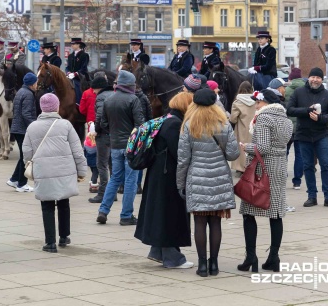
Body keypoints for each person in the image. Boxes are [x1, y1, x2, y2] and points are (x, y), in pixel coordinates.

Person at [177, 88, 239, 277]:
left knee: (199, 223)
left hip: (197, 178)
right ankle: (214, 264)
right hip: (219, 177)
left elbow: (183, 159)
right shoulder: (223, 124)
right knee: (216, 223)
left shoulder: (188, 125)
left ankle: (202, 265)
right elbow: (233, 153)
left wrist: (180, 183)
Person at [135, 92, 195, 269]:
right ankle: (173, 257)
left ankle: (157, 251)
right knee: (169, 213)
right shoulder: (175, 124)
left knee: (161, 212)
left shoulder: (166, 119)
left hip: (158, 174)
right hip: (167, 176)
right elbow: (179, 153)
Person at [237, 89, 293, 274]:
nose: (256, 105)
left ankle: (250, 257)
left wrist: (246, 147)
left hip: (263, 169)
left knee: (249, 211)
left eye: (258, 102)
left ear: (265, 102)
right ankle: (274, 258)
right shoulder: (286, 119)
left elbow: (262, 147)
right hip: (279, 167)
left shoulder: (263, 118)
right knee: (276, 213)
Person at [22, 93, 87, 253]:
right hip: (65, 170)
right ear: (56, 107)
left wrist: (31, 165)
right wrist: (81, 170)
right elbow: (77, 150)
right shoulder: (65, 125)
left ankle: (50, 242)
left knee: (47, 205)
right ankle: (64, 236)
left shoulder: (32, 127)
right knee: (64, 202)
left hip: (43, 171)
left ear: (42, 109)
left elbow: (26, 152)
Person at [96, 70, 145, 225]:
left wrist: (113, 133)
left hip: (115, 144)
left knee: (115, 178)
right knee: (130, 180)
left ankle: (103, 211)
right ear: (130, 85)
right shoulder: (133, 99)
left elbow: (103, 123)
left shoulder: (109, 100)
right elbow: (140, 124)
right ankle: (126, 216)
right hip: (131, 146)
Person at [286, 67, 328, 208]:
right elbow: (290, 109)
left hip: (321, 134)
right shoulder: (299, 92)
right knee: (308, 166)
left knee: (325, 165)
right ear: (308, 78)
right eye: (313, 77)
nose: (315, 80)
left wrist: (320, 118)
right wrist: (306, 111)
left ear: (321, 80)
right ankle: (312, 196)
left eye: (318, 77)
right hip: (303, 135)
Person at [7, 73, 38, 192]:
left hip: (17, 128)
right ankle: (22, 184)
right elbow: (26, 114)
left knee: (22, 156)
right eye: (36, 82)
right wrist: (34, 126)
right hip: (23, 130)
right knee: (25, 157)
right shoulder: (29, 94)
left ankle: (14, 179)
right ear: (32, 84)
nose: (37, 85)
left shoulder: (20, 91)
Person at [89, 76, 115, 204]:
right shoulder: (114, 94)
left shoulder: (100, 97)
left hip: (103, 135)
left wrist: (96, 130)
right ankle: (112, 193)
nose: (93, 92)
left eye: (94, 89)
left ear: (98, 88)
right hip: (114, 134)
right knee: (112, 165)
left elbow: (99, 116)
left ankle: (103, 193)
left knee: (102, 164)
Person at [230, 81, 256, 173]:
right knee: (254, 148)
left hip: (242, 129)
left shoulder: (237, 102)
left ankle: (242, 168)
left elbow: (233, 119)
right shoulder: (256, 100)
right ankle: (253, 167)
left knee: (242, 148)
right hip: (254, 128)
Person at [285, 68, 305, 190]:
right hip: (300, 127)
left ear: (291, 78)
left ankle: (282, 176)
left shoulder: (286, 90)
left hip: (287, 127)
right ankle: (297, 181)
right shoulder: (306, 90)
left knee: (284, 153)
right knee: (299, 154)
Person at [79, 82, 98, 192]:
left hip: (91, 127)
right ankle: (95, 180)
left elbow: (82, 110)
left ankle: (93, 180)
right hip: (103, 128)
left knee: (91, 152)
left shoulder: (86, 93)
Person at [66, 37, 90, 105]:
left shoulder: (84, 55)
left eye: (73, 44)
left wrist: (75, 74)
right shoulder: (70, 56)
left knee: (77, 86)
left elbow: (84, 68)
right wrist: (68, 72)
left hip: (81, 77)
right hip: (70, 76)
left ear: (78, 45)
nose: (72, 45)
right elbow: (67, 67)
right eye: (71, 44)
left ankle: (79, 103)